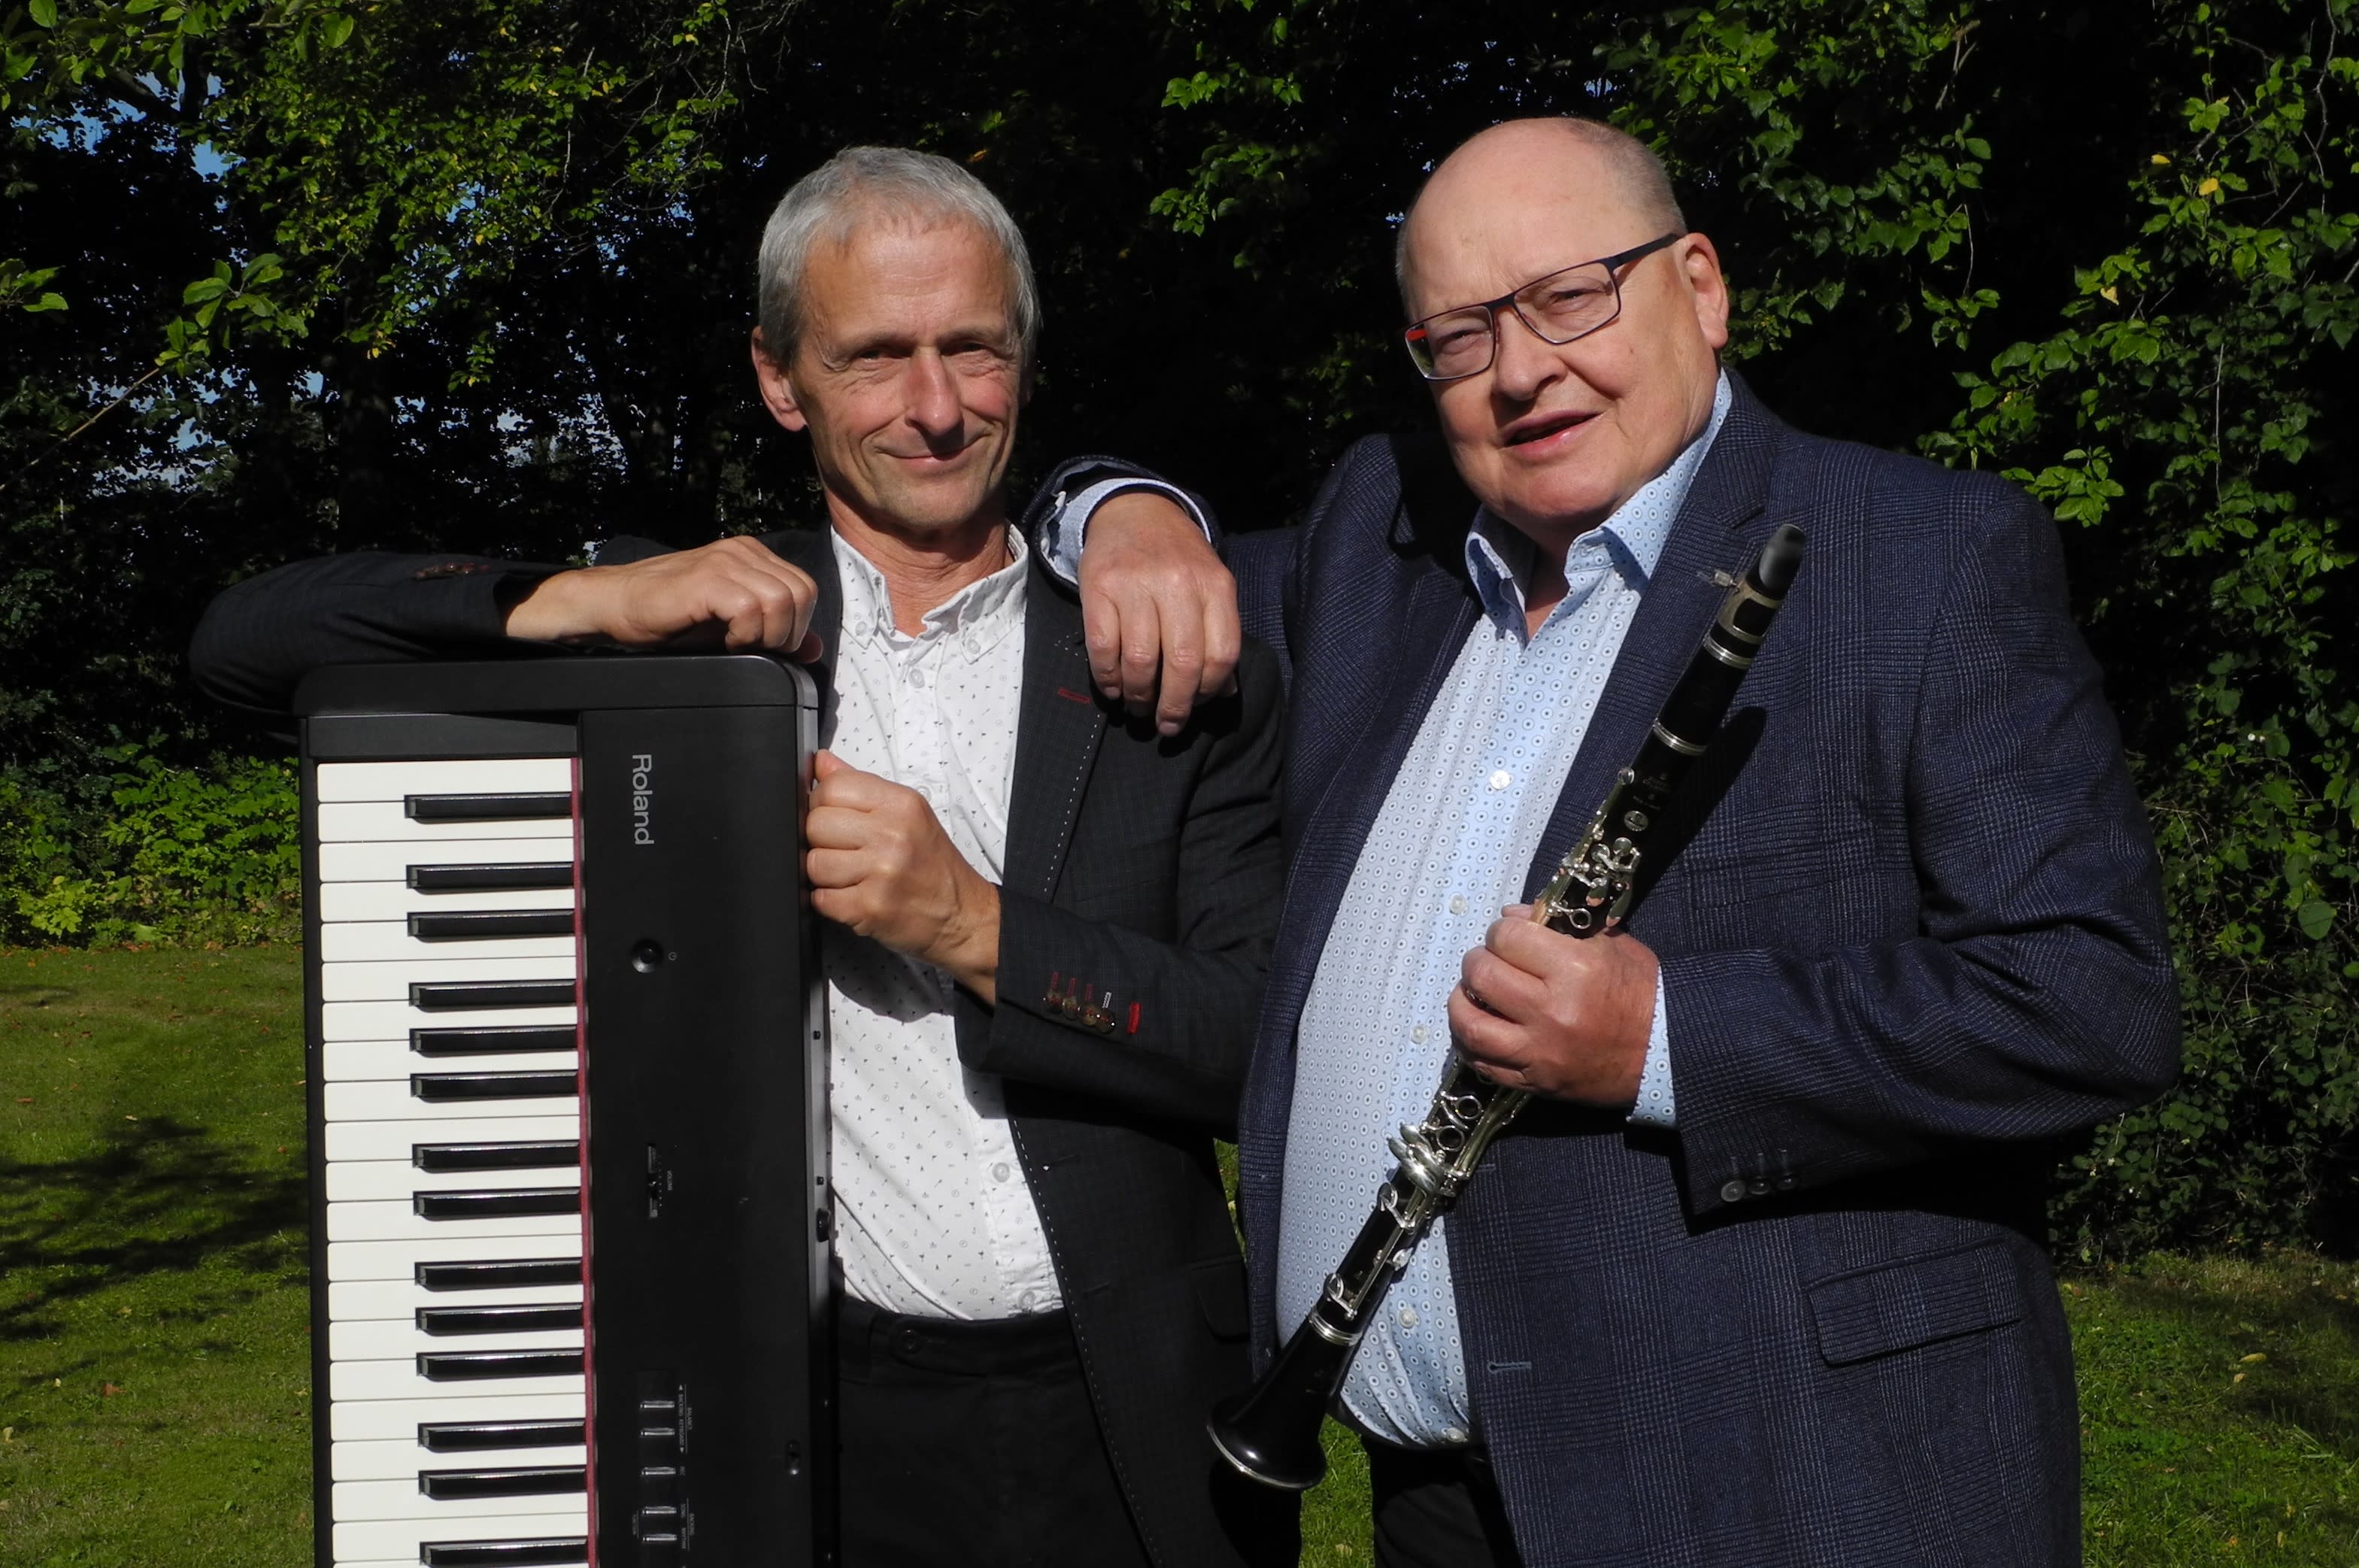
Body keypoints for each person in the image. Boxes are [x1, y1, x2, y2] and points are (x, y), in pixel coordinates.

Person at [1044, 117, 2181, 1566]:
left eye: (1568, 298)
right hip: (1433, 1503)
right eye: (1459, 337)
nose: (1520, 371)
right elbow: (1140, 574)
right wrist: (1124, 510)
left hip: (1787, 1484)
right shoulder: (1379, 541)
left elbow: (2090, 997)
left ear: (1698, 286)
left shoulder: (1922, 554)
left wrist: (1665, 1038)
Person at [190, 147, 1294, 1568]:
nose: (936, 406)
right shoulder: (689, 635)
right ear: (780, 380)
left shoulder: (1163, 649)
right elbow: (243, 648)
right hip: (805, 1401)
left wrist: (973, 926)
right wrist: (582, 595)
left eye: (973, 348)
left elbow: (1260, 1048)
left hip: (1138, 1404)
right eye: (874, 357)